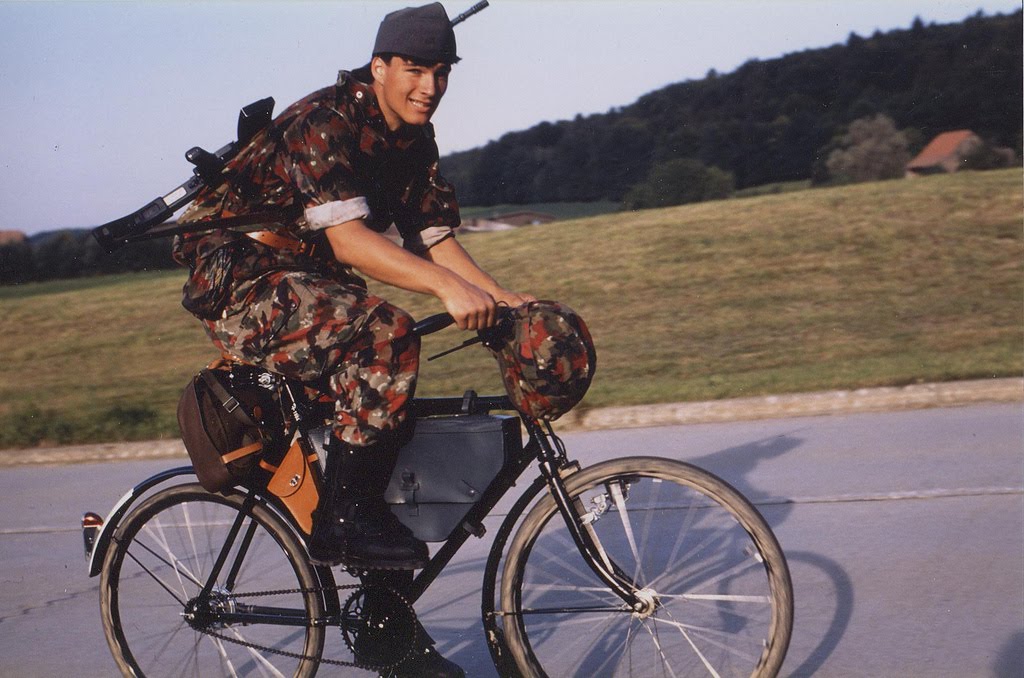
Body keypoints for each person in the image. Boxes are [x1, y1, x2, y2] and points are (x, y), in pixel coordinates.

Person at [172, 3, 532, 675]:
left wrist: (500, 297)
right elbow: (348, 239)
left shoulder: (414, 140)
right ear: (381, 66)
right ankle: (342, 519)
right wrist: (445, 291)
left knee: (383, 412)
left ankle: (384, 630)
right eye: (416, 69)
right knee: (384, 335)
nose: (429, 86)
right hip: (238, 273)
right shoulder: (325, 123)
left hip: (301, 274)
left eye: (442, 72)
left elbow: (434, 237)